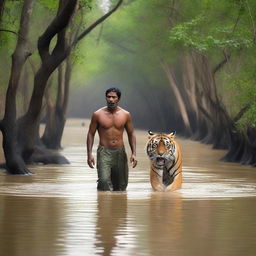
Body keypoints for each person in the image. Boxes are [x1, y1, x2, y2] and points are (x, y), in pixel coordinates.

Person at [86, 87, 137, 191]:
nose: (111, 99)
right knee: (104, 181)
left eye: (114, 97)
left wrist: (134, 153)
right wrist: (89, 154)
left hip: (120, 152)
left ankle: (117, 206)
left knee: (121, 186)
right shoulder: (97, 114)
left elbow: (131, 133)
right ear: (106, 98)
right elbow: (91, 134)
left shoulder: (125, 115)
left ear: (118, 99)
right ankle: (103, 204)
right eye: (108, 97)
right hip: (104, 152)